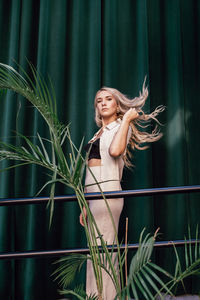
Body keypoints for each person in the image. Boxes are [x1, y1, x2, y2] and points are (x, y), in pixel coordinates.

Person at [80, 80, 164, 299]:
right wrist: (85, 204)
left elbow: (116, 151)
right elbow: (90, 171)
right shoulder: (97, 133)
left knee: (105, 253)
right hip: (94, 199)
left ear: (117, 105)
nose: (103, 103)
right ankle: (94, 295)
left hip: (108, 194)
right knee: (95, 253)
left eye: (108, 99)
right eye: (99, 101)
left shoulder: (120, 126)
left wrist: (126, 119)